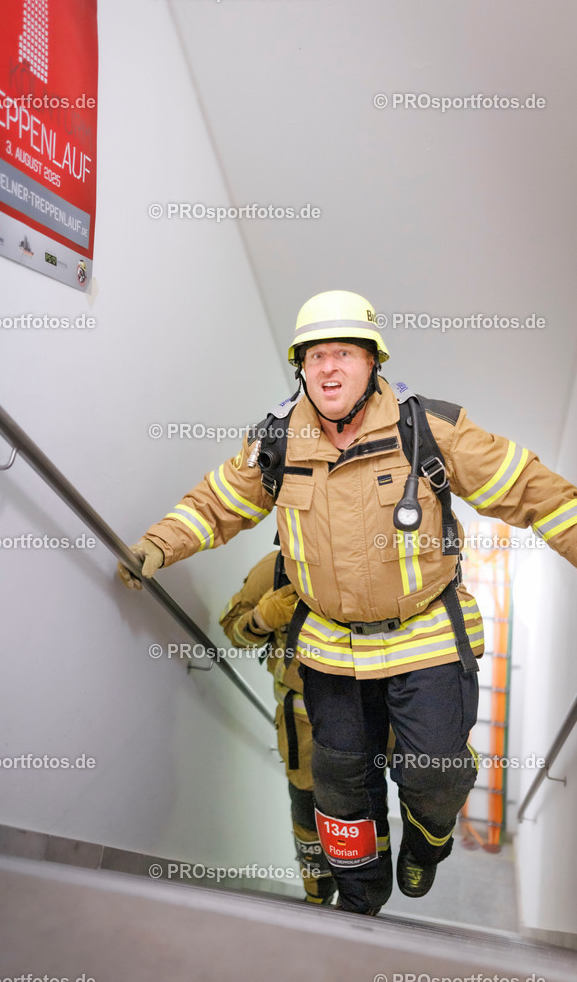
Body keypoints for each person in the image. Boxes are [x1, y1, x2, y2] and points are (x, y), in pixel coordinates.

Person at [118, 290, 577, 916]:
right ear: (300, 366)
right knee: (338, 790)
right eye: (314, 356)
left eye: (343, 353)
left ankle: (426, 843)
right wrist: (156, 546)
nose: (328, 368)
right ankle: (361, 906)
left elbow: (535, 492)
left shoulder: (430, 430)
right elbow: (215, 504)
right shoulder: (277, 442)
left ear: (373, 362)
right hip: (331, 646)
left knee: (435, 773)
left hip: (427, 635)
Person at [218, 549, 337, 905]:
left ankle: (360, 894)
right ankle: (317, 892)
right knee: (305, 808)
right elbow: (233, 633)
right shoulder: (274, 570)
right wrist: (260, 620)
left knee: (357, 805)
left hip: (365, 713)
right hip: (300, 722)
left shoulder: (371, 560)